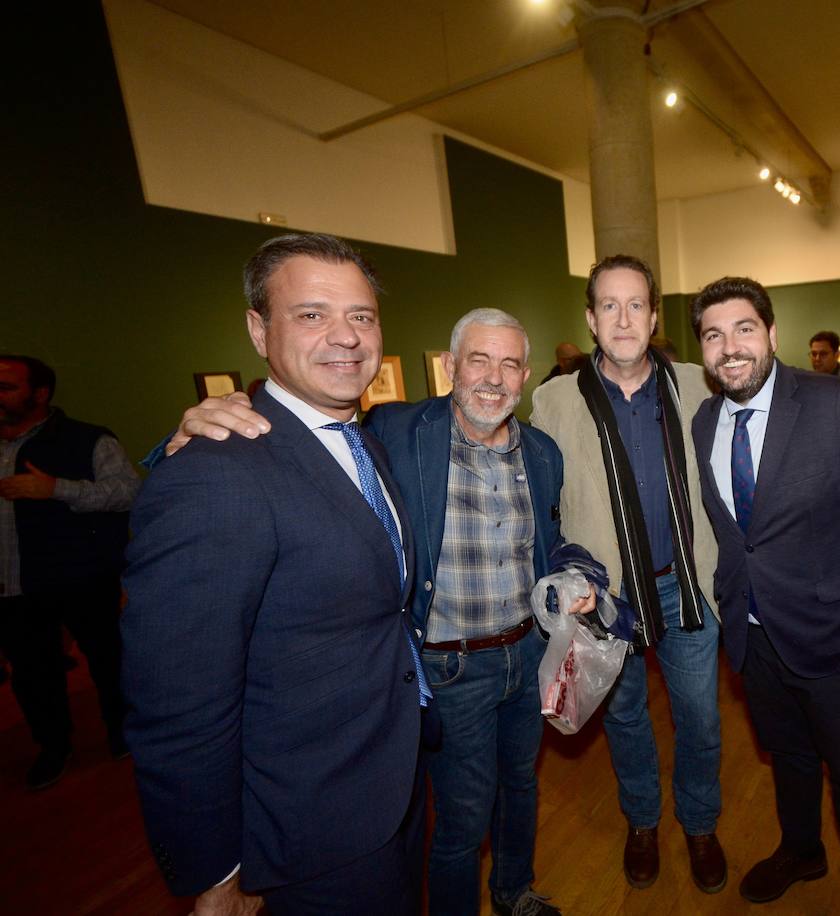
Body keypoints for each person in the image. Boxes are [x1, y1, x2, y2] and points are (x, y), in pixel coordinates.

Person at [162, 307, 605, 916]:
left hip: (525, 655)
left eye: (508, 364)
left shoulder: (543, 453)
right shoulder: (395, 433)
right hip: (450, 669)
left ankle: (514, 892)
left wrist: (574, 577)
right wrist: (196, 428)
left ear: (526, 375)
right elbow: (300, 444)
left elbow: (550, 543)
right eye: (478, 359)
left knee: (522, 786)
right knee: (461, 815)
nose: (493, 377)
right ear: (450, 366)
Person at [122, 233, 430, 915]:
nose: (345, 337)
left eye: (361, 315)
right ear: (258, 329)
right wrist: (216, 872)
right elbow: (179, 702)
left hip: (391, 786)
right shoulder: (215, 472)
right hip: (305, 832)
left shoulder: (366, 441)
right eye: (312, 314)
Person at [688, 277, 840, 915]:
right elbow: (742, 536)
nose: (730, 347)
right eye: (713, 334)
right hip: (757, 635)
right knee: (787, 756)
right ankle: (802, 850)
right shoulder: (706, 420)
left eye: (743, 329)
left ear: (772, 335)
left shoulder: (837, 404)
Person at [529, 254, 726, 895]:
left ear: (653, 315)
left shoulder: (697, 384)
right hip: (606, 601)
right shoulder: (554, 400)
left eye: (635, 304)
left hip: (687, 585)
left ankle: (699, 824)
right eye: (608, 305)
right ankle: (643, 820)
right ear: (590, 319)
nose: (622, 318)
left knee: (700, 719)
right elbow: (532, 488)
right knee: (626, 718)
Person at [0, 355, 139, 791]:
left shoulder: (87, 440)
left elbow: (128, 492)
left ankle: (124, 733)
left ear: (39, 394)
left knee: (107, 659)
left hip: (79, 575)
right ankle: (53, 747)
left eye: (6, 386)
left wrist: (56, 489)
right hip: (12, 584)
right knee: (32, 672)